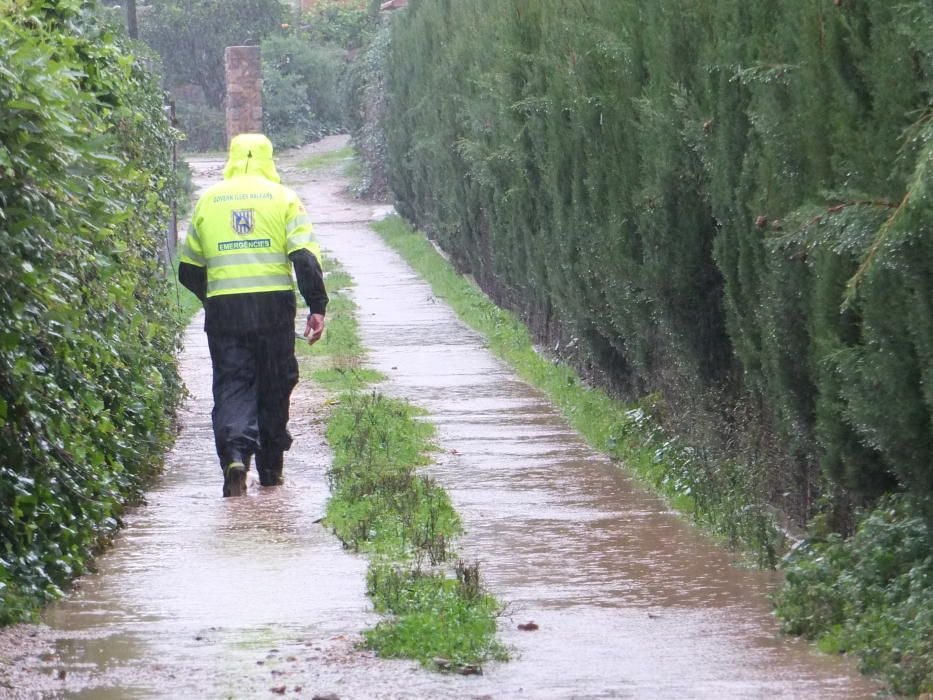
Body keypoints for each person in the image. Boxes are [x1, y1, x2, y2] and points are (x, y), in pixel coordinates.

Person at [178, 133, 327, 497]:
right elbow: (304, 259)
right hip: (273, 308)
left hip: (226, 311)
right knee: (275, 382)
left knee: (232, 382)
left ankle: (235, 454)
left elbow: (188, 269)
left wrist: (210, 299)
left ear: (231, 157)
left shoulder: (208, 201)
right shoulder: (284, 199)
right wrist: (317, 306)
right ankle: (271, 468)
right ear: (268, 158)